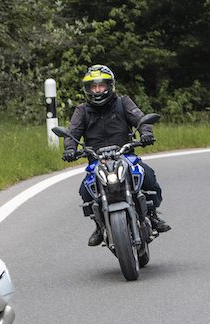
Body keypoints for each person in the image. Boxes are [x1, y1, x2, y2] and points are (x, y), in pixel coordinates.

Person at [62, 64, 171, 247]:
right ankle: (99, 225)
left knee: (148, 176)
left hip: (125, 156)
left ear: (110, 86)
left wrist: (146, 133)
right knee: (85, 190)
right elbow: (72, 132)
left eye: (101, 86)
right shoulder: (82, 111)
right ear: (88, 89)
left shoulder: (123, 102)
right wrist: (69, 149)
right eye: (93, 87)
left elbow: (140, 118)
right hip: (97, 162)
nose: (97, 90)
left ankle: (152, 216)